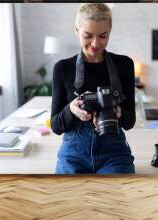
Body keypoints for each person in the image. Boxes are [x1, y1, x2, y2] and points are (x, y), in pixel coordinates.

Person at [51, 3, 136, 174]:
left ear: (109, 32)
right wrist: (72, 110)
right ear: (77, 30)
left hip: (114, 150)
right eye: (88, 35)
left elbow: (130, 122)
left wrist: (115, 112)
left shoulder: (124, 65)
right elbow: (55, 126)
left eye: (103, 36)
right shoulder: (62, 68)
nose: (95, 43)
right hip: (74, 151)